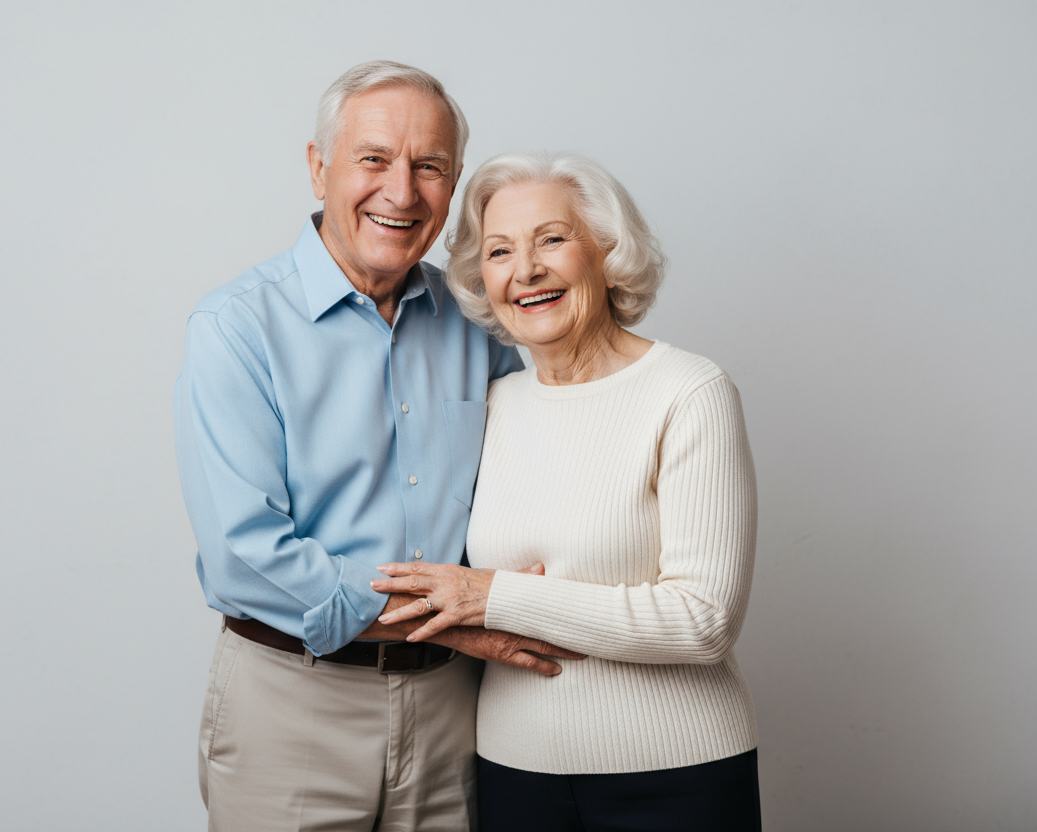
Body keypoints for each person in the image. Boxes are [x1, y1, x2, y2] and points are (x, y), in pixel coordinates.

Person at [174, 64, 582, 832]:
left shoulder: (480, 326)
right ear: (318, 165)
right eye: (374, 159)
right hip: (291, 703)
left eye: (429, 166)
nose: (402, 191)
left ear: (454, 182)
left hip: (455, 708)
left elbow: (530, 490)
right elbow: (244, 555)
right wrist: (453, 615)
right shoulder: (235, 328)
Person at [370, 152, 762, 831]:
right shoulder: (488, 406)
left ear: (607, 252)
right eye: (499, 251)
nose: (525, 270)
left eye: (552, 239)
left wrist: (497, 596)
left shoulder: (689, 393)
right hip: (511, 774)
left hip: (676, 778)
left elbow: (703, 621)